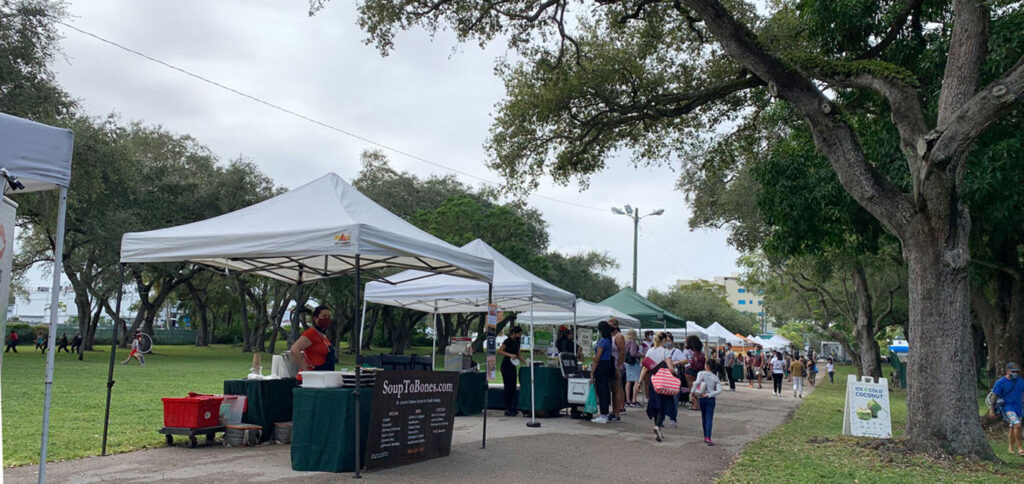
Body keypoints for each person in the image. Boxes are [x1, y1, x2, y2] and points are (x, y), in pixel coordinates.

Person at [638, 332, 679, 441]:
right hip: (664, 381)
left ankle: (658, 429)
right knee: (664, 405)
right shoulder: (666, 352)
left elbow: (644, 368)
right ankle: (657, 426)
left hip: (653, 380)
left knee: (655, 404)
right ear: (664, 340)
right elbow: (670, 368)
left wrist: (639, 382)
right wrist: (676, 375)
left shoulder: (650, 351)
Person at [289, 306, 337, 380]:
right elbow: (294, 349)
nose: (327, 319)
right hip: (311, 379)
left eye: (329, 316)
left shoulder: (323, 336)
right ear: (315, 318)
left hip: (322, 378)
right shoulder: (311, 333)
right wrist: (305, 369)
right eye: (324, 316)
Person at [990, 362, 1024, 456]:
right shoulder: (1001, 382)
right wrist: (992, 409)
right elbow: (994, 396)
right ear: (1007, 371)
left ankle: (1010, 448)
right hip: (1008, 407)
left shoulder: (1020, 381)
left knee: (1012, 427)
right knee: (1017, 425)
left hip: (1019, 407)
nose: (1015, 373)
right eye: (1013, 371)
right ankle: (1020, 448)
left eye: (1017, 371)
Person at [589, 321, 615, 423]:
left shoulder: (602, 341)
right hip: (607, 364)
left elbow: (597, 358)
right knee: (605, 389)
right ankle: (605, 413)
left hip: (601, 366)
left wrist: (592, 372)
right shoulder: (608, 340)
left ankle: (603, 414)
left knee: (601, 390)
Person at [694, 358, 724, 446]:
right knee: (709, 417)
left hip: (701, 397)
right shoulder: (715, 377)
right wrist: (710, 394)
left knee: (703, 417)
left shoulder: (701, 373)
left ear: (706, 366)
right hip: (710, 399)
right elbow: (719, 391)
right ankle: (708, 437)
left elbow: (696, 383)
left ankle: (705, 435)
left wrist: (693, 392)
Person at [497, 325, 524, 417]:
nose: (519, 335)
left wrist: (525, 362)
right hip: (506, 365)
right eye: (518, 334)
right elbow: (500, 351)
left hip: (513, 365)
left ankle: (512, 406)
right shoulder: (507, 341)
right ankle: (507, 407)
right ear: (514, 333)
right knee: (508, 386)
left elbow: (519, 354)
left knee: (513, 386)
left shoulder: (517, 342)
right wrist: (510, 355)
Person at [608, 318, 626, 421]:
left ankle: (617, 413)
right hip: (611, 365)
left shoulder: (619, 337)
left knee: (617, 389)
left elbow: (622, 352)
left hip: (617, 365)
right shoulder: (611, 336)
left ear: (615, 325)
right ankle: (614, 411)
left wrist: (618, 366)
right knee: (613, 390)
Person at [684, 335, 705, 410]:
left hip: (689, 370)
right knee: (699, 388)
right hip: (699, 370)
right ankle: (699, 405)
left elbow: (684, 359)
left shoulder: (687, 350)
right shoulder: (700, 351)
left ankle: (694, 405)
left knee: (691, 388)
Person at [624, 329, 644, 407]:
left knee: (628, 381)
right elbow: (633, 353)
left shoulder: (625, 342)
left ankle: (628, 400)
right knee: (636, 381)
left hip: (627, 363)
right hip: (634, 363)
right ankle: (634, 400)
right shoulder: (632, 342)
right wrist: (641, 354)